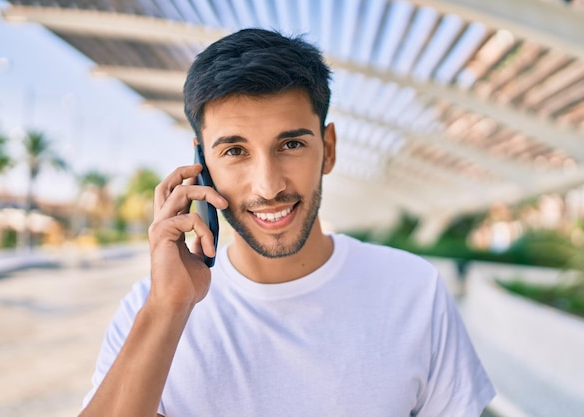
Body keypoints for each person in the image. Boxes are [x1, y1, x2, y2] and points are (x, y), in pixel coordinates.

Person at [80, 28, 495, 417]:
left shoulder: (415, 293)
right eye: (235, 151)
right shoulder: (150, 310)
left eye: (291, 144)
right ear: (201, 164)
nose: (269, 185)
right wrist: (167, 309)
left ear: (328, 149)